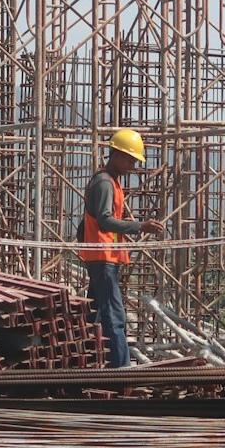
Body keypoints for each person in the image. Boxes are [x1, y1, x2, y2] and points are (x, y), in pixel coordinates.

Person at [77, 128, 165, 368]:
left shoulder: (109, 181)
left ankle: (84, 358)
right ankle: (121, 368)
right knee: (115, 314)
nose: (133, 166)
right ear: (116, 154)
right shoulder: (105, 183)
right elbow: (104, 220)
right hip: (102, 257)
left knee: (93, 312)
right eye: (130, 159)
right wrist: (140, 226)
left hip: (103, 256)